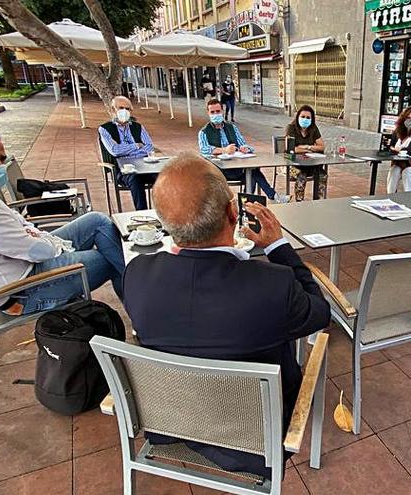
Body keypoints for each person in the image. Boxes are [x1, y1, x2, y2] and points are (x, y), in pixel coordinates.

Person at [123, 153, 330, 477]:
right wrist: (278, 247)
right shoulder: (272, 286)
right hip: (258, 444)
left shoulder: (137, 275)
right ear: (233, 212)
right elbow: (320, 313)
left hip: (171, 426)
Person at [0, 125, 126, 315]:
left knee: (97, 220)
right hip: (22, 290)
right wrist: (39, 238)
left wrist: (33, 234)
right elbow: (40, 251)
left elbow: (20, 224)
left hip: (19, 265)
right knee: (111, 259)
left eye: (1, 159)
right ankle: (147, 318)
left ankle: (142, 289)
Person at [198, 99, 290, 203]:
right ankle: (259, 200)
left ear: (222, 111)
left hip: (237, 167)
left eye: (218, 111)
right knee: (253, 174)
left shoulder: (232, 127)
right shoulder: (204, 132)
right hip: (219, 172)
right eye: (212, 112)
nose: (216, 114)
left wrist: (244, 148)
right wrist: (224, 150)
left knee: (253, 171)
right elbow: (204, 150)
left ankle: (247, 202)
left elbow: (244, 144)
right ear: (208, 113)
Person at [98, 96, 157, 210]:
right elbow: (114, 151)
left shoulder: (138, 127)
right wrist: (136, 145)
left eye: (128, 109)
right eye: (120, 108)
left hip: (144, 165)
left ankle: (166, 213)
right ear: (113, 109)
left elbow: (149, 147)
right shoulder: (105, 129)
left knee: (163, 176)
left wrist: (124, 148)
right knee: (134, 178)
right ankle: (143, 214)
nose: (124, 111)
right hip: (123, 169)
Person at [285, 105, 326, 201]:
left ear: (312, 119)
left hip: (310, 164)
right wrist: (310, 149)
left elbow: (322, 147)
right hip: (293, 165)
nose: (305, 119)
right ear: (298, 116)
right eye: (302, 117)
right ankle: (299, 202)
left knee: (322, 174)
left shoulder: (313, 129)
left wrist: (307, 147)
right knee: (301, 176)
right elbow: (291, 149)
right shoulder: (291, 128)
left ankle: (319, 200)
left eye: (308, 117)